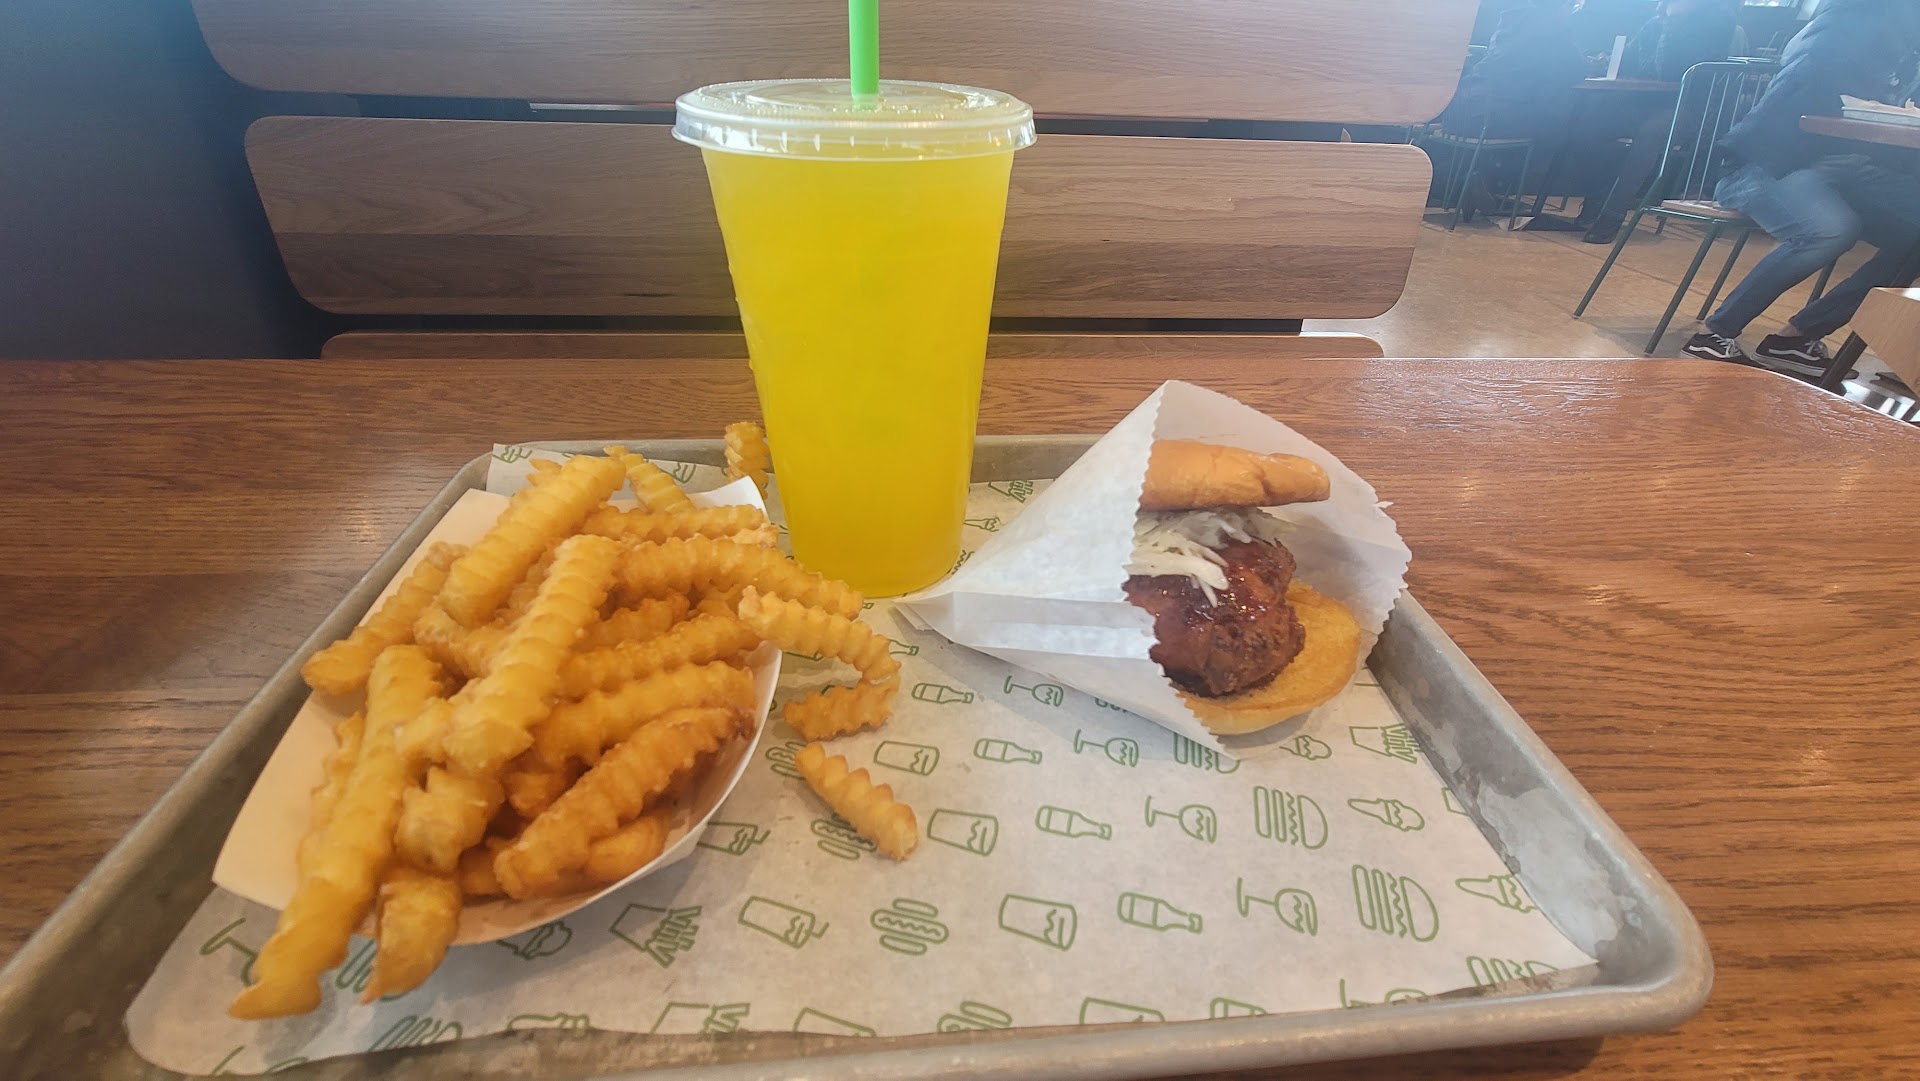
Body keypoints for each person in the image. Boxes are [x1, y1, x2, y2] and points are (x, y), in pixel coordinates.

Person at [1682, 0, 1920, 372]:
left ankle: (1796, 337)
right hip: (1765, 163)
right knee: (1830, 229)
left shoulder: (1897, 39)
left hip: (1843, 166)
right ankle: (1714, 333)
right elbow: (1804, 105)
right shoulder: (1849, 26)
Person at [1573, 0, 1742, 244]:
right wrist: (1599, 62)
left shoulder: (1718, 20)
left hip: (1689, 107)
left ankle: (1612, 215)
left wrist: (1671, 22)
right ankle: (1597, 199)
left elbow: (1670, 69)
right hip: (1645, 102)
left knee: (1650, 134)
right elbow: (1628, 60)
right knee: (1590, 127)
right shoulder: (1655, 22)